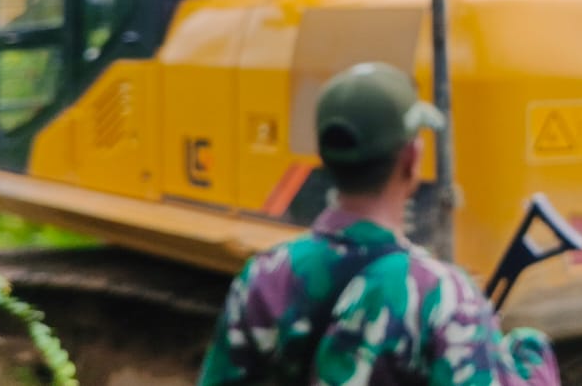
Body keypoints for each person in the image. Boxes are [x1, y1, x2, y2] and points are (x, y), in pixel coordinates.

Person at [198, 62, 561, 385]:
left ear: (325, 156)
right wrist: (529, 353)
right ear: (411, 159)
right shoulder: (442, 296)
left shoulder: (262, 278)